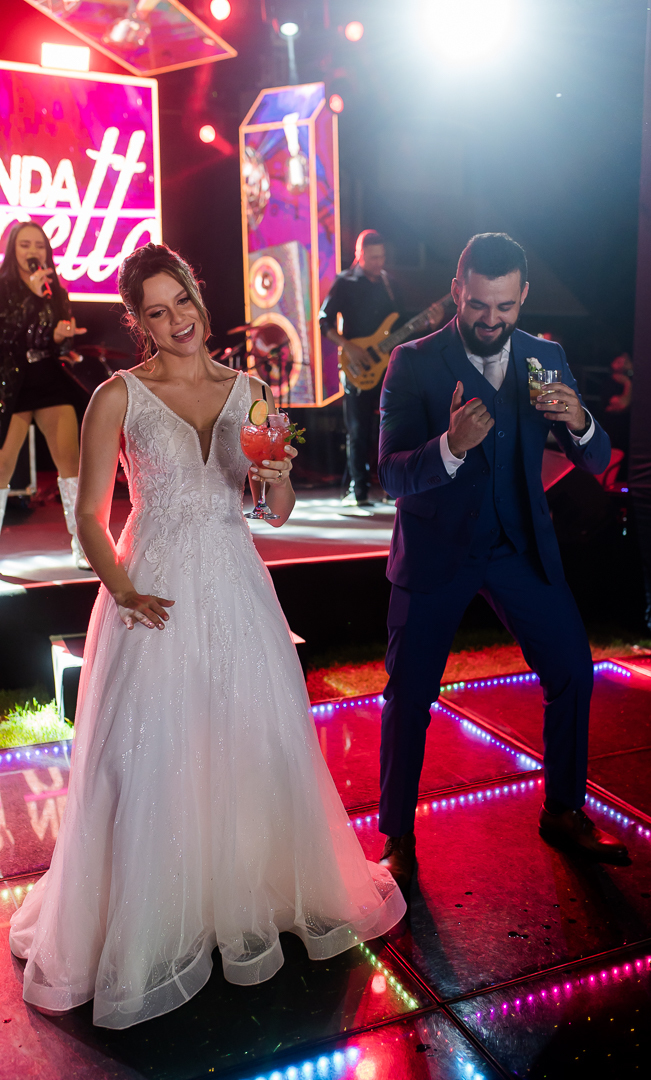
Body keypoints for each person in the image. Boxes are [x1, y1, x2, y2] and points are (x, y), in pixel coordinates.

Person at [9, 243, 405, 1028]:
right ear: (138, 321)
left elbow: (275, 510)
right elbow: (88, 514)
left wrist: (277, 477)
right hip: (149, 589)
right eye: (156, 312)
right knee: (149, 754)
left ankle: (242, 894)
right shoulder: (117, 398)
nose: (176, 320)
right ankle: (157, 913)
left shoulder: (251, 392)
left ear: (197, 293)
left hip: (232, 582)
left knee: (251, 740)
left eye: (182, 301)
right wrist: (125, 591)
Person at [376, 232, 628, 891]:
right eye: (479, 305)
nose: (492, 319)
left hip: (518, 547)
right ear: (457, 292)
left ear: (523, 297)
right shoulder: (411, 363)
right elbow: (390, 474)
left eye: (505, 306)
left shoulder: (546, 357)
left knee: (572, 671)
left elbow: (598, 459)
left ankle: (563, 811)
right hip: (435, 551)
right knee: (409, 696)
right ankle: (397, 836)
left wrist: (580, 422)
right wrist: (450, 446)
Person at [319, 229, 444, 506]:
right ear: (359, 255)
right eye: (373, 257)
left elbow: (402, 328)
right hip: (357, 364)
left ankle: (392, 487)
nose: (379, 262)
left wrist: (428, 324)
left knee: (392, 427)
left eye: (382, 256)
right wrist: (348, 346)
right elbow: (323, 321)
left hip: (387, 367)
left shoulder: (390, 285)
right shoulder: (345, 282)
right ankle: (359, 491)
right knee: (358, 430)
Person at [0, 221, 89, 568]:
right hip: (13, 382)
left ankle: (82, 544)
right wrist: (34, 297)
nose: (33, 251)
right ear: (13, 250)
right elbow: (8, 335)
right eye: (25, 245)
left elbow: (59, 344)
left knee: (70, 461)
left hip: (48, 378)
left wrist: (62, 337)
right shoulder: (4, 289)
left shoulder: (56, 292)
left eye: (38, 245)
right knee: (3, 463)